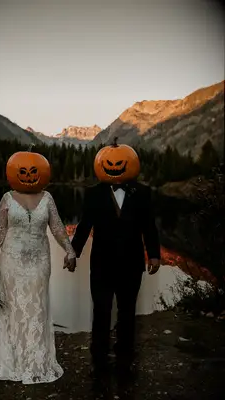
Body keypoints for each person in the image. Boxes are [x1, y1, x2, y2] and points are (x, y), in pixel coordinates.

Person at [0, 151, 76, 384]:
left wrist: (70, 250)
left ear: (42, 173)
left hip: (39, 261)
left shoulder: (47, 198)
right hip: (12, 261)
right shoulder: (7, 198)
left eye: (33, 171)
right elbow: (0, 230)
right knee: (12, 307)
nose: (28, 175)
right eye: (23, 171)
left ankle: (35, 360)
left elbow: (57, 228)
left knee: (36, 307)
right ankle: (10, 359)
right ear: (14, 173)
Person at [70, 140, 161, 380]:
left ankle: (125, 360)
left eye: (119, 164)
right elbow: (84, 226)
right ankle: (98, 361)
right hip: (101, 265)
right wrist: (73, 253)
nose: (114, 167)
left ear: (129, 164)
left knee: (127, 313)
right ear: (102, 166)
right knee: (101, 312)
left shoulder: (142, 193)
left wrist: (153, 254)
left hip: (131, 264)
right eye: (109, 164)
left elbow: (149, 226)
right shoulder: (93, 193)